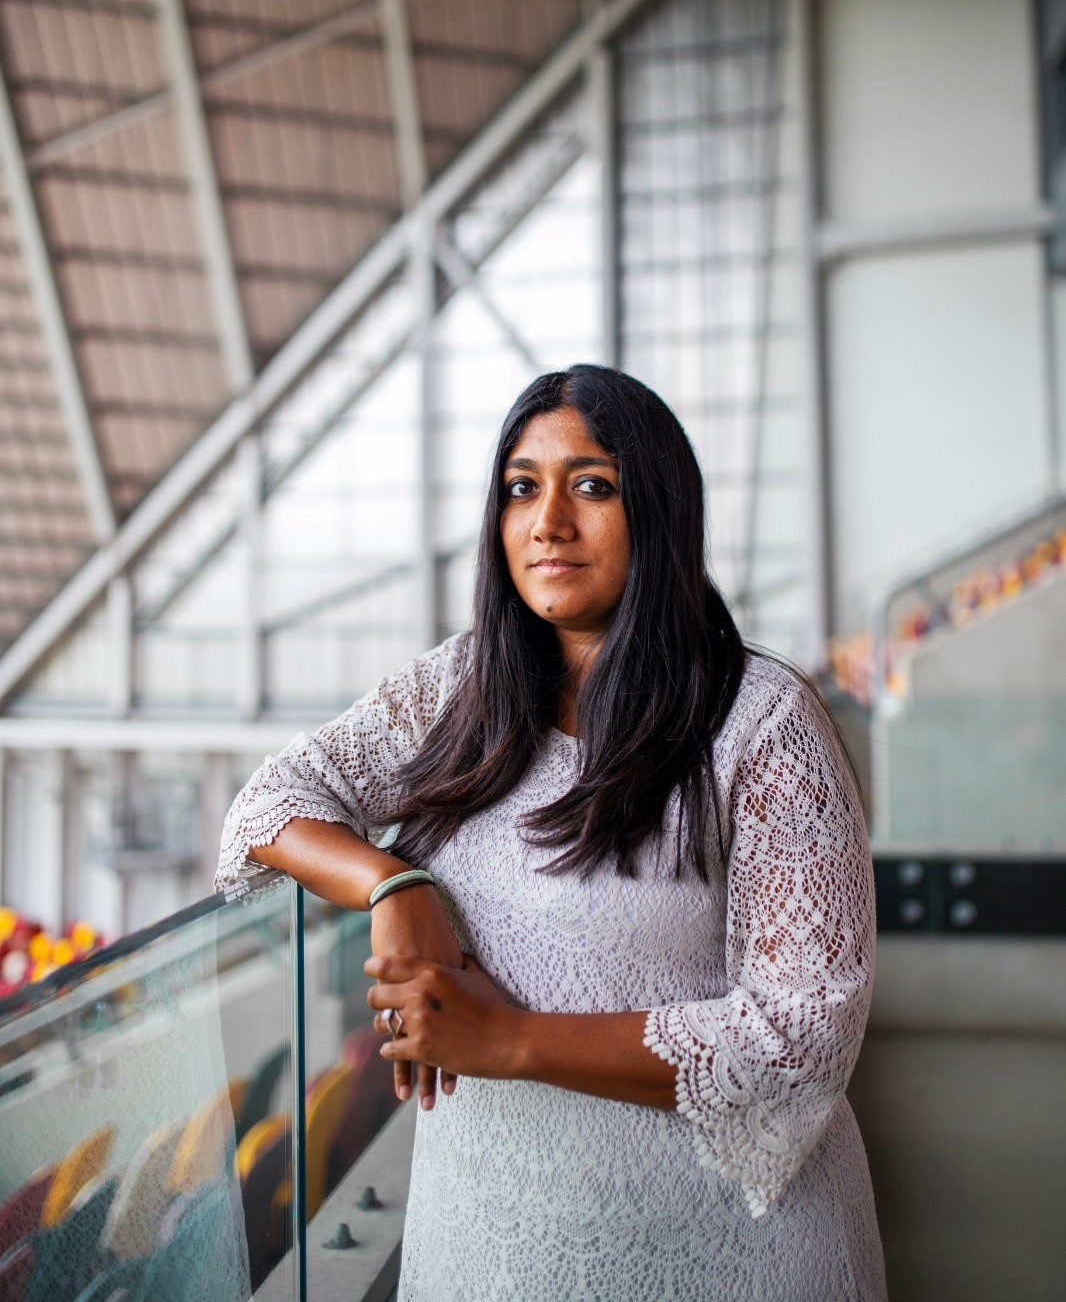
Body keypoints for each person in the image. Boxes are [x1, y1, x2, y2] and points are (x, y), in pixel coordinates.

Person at [216, 364, 887, 1302]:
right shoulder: (463, 689)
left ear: (659, 509)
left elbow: (801, 1033)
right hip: (487, 1249)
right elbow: (270, 800)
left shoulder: (762, 723)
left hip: (721, 1258)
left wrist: (513, 1040)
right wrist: (395, 887)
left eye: (594, 485)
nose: (550, 522)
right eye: (522, 488)